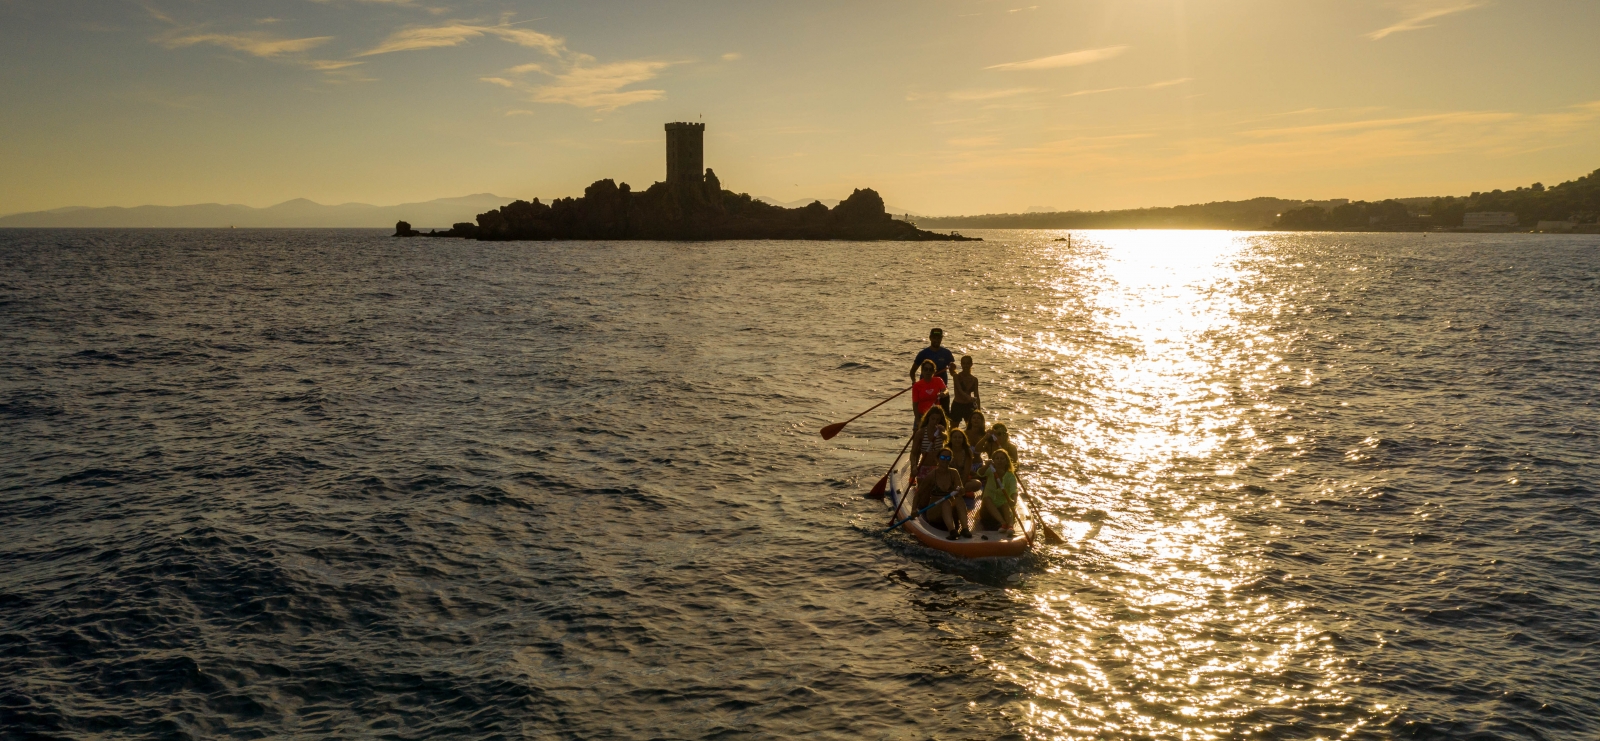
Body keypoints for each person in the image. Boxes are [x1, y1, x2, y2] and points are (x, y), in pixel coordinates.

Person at [916, 447, 968, 539]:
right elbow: (919, 493)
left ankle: (965, 529)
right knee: (946, 503)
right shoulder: (932, 475)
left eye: (948, 458)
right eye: (943, 458)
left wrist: (961, 490)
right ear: (937, 459)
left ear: (951, 460)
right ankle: (952, 531)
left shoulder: (954, 473)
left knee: (959, 500)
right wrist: (913, 510)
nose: (945, 460)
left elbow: (961, 491)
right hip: (935, 512)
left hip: (950, 510)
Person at [909, 328, 956, 414]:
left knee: (945, 416)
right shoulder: (923, 354)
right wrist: (914, 383)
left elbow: (953, 372)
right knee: (923, 415)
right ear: (930, 338)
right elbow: (912, 371)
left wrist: (953, 369)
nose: (936, 340)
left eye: (938, 338)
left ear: (941, 339)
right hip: (925, 392)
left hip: (942, 391)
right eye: (934, 338)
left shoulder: (947, 353)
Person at [977, 449, 1019, 533]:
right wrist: (986, 465)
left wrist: (1013, 500)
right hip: (988, 508)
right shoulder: (990, 471)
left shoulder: (1010, 476)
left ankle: (1010, 525)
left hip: (1002, 505)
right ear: (993, 461)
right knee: (987, 499)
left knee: (1006, 504)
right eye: (997, 458)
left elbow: (1013, 490)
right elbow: (980, 473)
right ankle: (1003, 523)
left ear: (1006, 461)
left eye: (1002, 458)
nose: (999, 461)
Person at [910, 405, 949, 484]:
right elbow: (913, 453)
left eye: (937, 420)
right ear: (928, 418)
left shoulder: (941, 431)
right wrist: (914, 466)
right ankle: (912, 477)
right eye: (933, 419)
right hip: (925, 467)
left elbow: (946, 437)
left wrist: (941, 431)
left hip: (939, 468)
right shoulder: (920, 433)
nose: (935, 422)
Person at [910, 359, 945, 428]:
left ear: (934, 371)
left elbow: (945, 390)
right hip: (921, 415)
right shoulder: (917, 385)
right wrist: (917, 420)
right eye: (926, 369)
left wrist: (943, 393)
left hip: (935, 416)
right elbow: (915, 405)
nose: (928, 372)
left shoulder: (938, 380)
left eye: (930, 369)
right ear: (922, 371)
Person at [950, 355, 981, 428]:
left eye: (967, 363)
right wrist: (969, 397)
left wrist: (979, 411)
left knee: (971, 427)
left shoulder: (974, 379)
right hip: (957, 405)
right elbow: (960, 390)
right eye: (963, 363)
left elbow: (977, 396)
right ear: (961, 364)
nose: (965, 365)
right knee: (953, 427)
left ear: (971, 364)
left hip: (968, 406)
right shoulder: (956, 376)